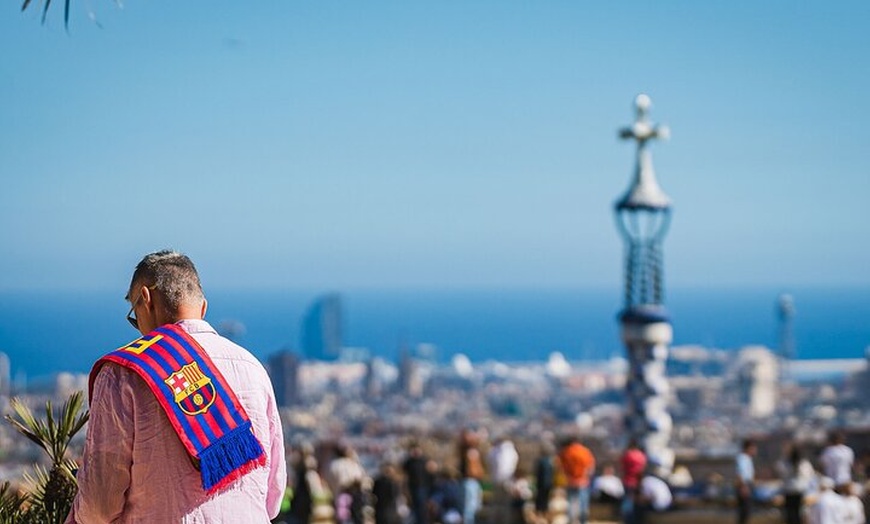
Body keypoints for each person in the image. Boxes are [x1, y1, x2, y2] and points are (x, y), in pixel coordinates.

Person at [66, 250, 287, 523]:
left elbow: (100, 505)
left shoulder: (123, 374)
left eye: (134, 317)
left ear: (146, 300)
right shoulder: (252, 367)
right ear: (202, 308)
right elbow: (273, 495)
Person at [558, 436, 596, 524]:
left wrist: (567, 476)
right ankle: (583, 521)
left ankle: (572, 521)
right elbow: (591, 467)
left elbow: (561, 466)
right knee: (583, 503)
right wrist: (586, 477)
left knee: (572, 502)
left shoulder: (566, 452)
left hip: (571, 481)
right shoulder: (585, 451)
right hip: (583, 481)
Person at [776, 443, 815, 524]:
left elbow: (780, 471)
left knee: (791, 515)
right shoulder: (804, 463)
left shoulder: (786, 463)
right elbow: (810, 475)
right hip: (799, 491)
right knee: (799, 514)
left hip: (790, 491)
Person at [488, 436, 520, 524]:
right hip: (508, 480)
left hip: (496, 480)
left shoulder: (494, 451)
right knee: (506, 505)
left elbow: (490, 461)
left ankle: (494, 520)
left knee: (496, 504)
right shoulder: (512, 451)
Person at [458, 428, 485, 524]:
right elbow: (473, 469)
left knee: (473, 507)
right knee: (470, 508)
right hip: (470, 481)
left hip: (471, 481)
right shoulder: (470, 452)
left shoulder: (468, 451)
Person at [620, 439, 647, 524]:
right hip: (638, 481)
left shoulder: (627, 455)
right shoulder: (641, 456)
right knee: (636, 502)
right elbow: (643, 468)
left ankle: (627, 519)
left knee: (627, 501)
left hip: (628, 480)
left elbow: (622, 467)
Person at [533, 441, 556, 523]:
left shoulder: (541, 461)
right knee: (545, 501)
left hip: (542, 485)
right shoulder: (550, 461)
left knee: (540, 501)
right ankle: (543, 517)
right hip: (547, 484)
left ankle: (540, 517)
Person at [735, 439, 757, 524]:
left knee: (746, 512)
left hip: (747, 485)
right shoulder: (742, 458)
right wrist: (743, 487)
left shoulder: (747, 458)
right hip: (744, 486)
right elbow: (740, 473)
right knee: (744, 512)